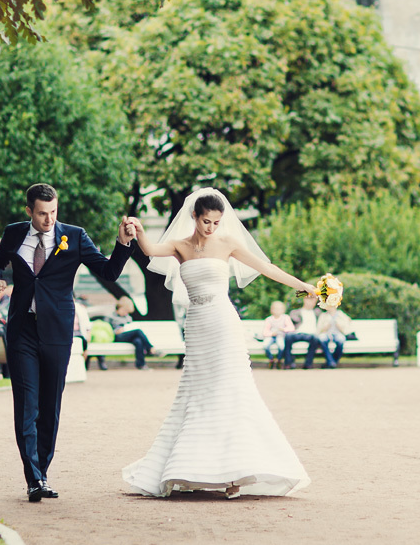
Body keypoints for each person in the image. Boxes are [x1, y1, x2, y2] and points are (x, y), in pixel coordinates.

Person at [122, 188, 316, 498]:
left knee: (232, 391)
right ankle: (187, 469)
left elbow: (266, 268)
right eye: (206, 222)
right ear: (194, 217)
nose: (211, 228)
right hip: (197, 325)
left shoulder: (227, 243)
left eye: (216, 222)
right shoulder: (180, 246)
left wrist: (304, 287)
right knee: (196, 394)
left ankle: (235, 475)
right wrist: (139, 230)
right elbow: (149, 251)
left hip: (224, 323)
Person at [0, 183, 136, 503]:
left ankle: (42, 469)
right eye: (41, 213)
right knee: (27, 405)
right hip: (22, 331)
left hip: (57, 332)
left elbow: (108, 273)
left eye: (53, 212)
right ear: (29, 211)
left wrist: (123, 244)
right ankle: (34, 478)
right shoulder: (14, 233)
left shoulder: (76, 236)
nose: (49, 219)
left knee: (49, 408)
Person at [106, 296, 158, 370]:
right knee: (138, 331)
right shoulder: (110, 317)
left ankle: (141, 364)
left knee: (138, 341)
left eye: (127, 312)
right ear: (120, 307)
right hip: (117, 336)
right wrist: (116, 331)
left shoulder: (128, 317)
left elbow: (130, 327)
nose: (125, 313)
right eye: (124, 311)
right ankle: (150, 348)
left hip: (128, 335)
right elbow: (107, 329)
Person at [283, 293, 331, 369]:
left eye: (313, 299)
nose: (311, 301)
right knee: (288, 336)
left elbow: (325, 320)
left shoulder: (317, 312)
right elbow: (290, 323)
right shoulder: (295, 312)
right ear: (304, 299)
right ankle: (288, 363)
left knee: (315, 338)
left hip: (311, 334)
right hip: (297, 333)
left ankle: (308, 364)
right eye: (309, 299)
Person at [261, 300, 294, 369]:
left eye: (279, 309)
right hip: (271, 336)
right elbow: (265, 331)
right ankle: (271, 359)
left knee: (281, 346)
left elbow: (291, 328)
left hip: (280, 336)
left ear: (283, 310)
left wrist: (284, 329)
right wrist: (271, 333)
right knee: (265, 345)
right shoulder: (269, 319)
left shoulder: (285, 318)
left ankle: (279, 359)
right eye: (275, 309)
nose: (277, 311)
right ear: (271, 310)